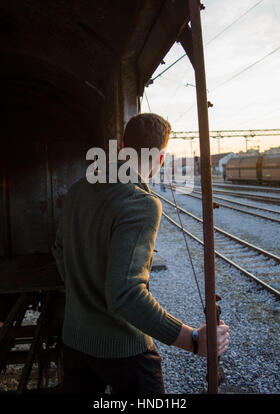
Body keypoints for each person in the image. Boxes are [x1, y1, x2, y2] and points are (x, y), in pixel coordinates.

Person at [52, 113, 229, 395]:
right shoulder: (140, 202)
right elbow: (126, 294)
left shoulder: (78, 190)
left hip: (74, 341)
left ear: (123, 147)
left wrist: (85, 292)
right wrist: (192, 340)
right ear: (161, 158)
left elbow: (59, 250)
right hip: (123, 349)